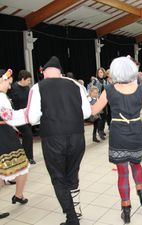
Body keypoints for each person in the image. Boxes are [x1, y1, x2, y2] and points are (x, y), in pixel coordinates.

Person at [91, 56, 142, 224]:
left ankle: (126, 210)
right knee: (136, 165)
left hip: (118, 135)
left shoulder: (108, 89)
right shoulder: (140, 90)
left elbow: (93, 110)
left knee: (122, 172)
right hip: (136, 134)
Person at [26, 56, 91, 225]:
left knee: (58, 177)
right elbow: (87, 113)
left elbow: (32, 118)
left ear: (45, 72)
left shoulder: (38, 87)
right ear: (60, 72)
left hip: (53, 138)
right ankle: (76, 209)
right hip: (77, 137)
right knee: (72, 174)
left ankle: (72, 217)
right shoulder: (76, 84)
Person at [0, 69, 30, 219]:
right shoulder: (1, 97)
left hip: (5, 133)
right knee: (22, 166)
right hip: (3, 136)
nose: (9, 87)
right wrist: (28, 113)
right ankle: (18, 195)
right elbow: (9, 117)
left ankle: (19, 195)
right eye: (8, 83)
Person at [7, 70, 35, 164]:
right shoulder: (12, 88)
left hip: (26, 116)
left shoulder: (27, 88)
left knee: (28, 136)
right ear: (22, 79)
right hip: (17, 117)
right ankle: (27, 157)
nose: (29, 82)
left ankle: (28, 157)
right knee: (28, 135)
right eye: (28, 80)